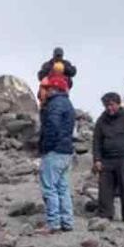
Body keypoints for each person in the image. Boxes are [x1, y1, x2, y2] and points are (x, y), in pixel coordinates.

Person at [92, 92, 124, 223]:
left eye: (111, 105)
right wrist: (97, 159)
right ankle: (105, 215)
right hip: (107, 159)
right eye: (106, 105)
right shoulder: (101, 120)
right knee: (105, 189)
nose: (109, 108)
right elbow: (96, 140)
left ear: (118, 104)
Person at [38, 74, 76, 233]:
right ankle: (67, 222)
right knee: (63, 188)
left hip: (54, 151)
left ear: (54, 89)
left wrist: (45, 146)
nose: (44, 91)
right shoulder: (67, 103)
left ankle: (53, 223)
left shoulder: (54, 104)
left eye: (47, 88)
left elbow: (52, 126)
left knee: (49, 187)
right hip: (66, 151)